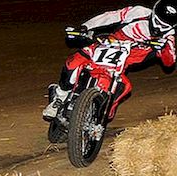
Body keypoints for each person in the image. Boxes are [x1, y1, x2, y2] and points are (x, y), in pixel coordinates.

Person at [42, 0, 177, 120]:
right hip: (109, 44)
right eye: (158, 22)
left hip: (124, 61)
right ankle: (59, 97)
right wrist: (85, 27)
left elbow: (169, 62)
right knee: (75, 61)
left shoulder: (168, 38)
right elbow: (111, 16)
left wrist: (164, 48)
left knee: (123, 88)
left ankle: (103, 112)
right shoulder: (139, 12)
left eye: (164, 27)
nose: (159, 28)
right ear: (153, 13)